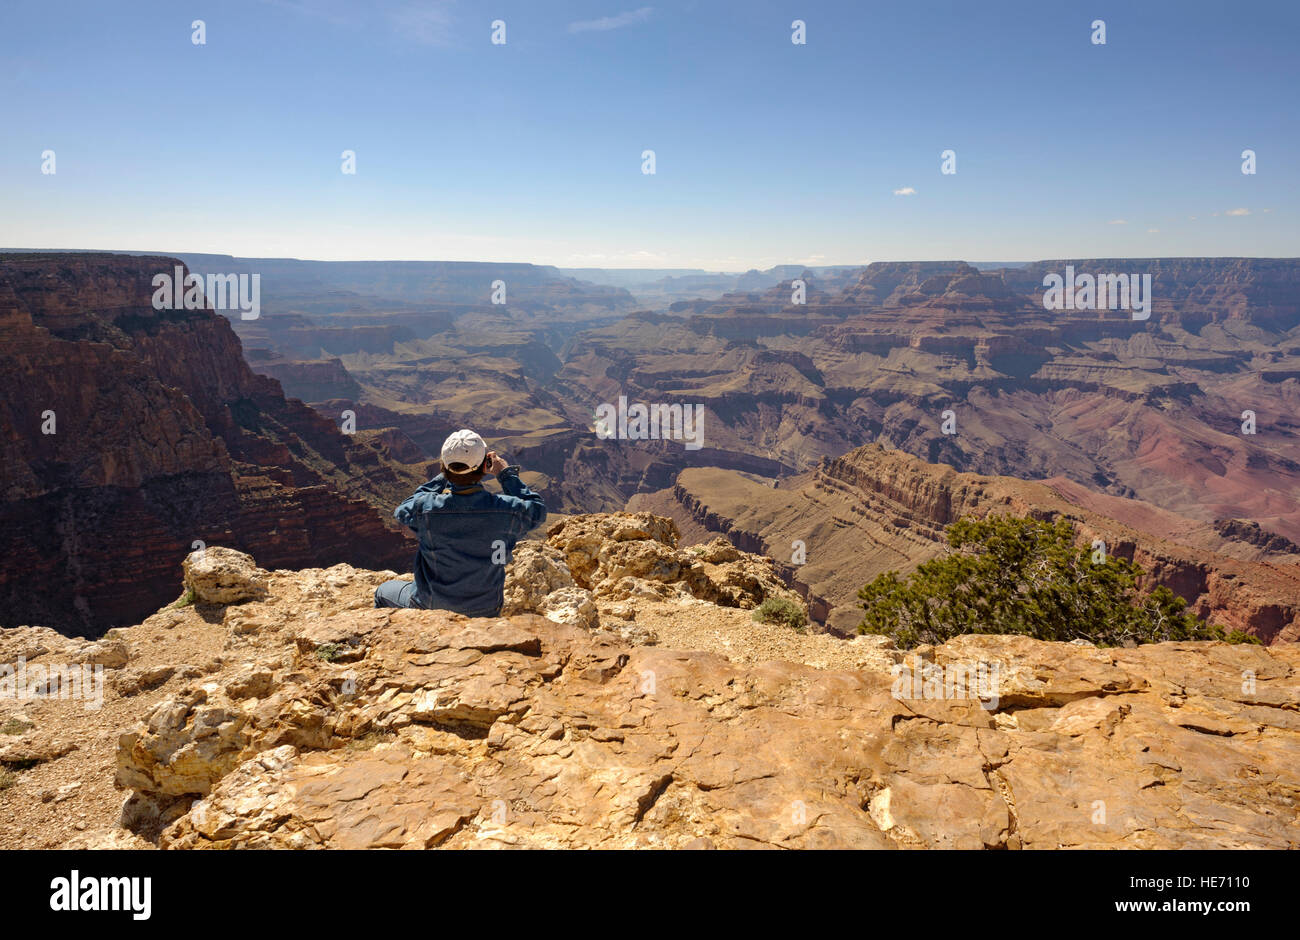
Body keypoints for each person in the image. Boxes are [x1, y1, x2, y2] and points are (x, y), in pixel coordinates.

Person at [374, 428, 546, 615]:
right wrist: (505, 474)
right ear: (483, 466)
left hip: (432, 605)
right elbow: (537, 509)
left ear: (444, 466)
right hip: (486, 608)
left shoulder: (427, 509)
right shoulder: (507, 511)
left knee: (383, 592)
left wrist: (446, 475)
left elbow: (402, 510)